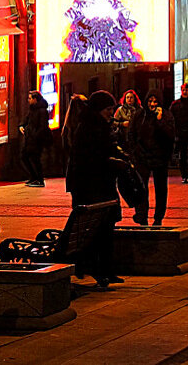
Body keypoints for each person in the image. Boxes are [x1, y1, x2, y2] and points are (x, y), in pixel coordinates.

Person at [66, 90, 127, 287]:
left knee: (107, 228)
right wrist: (112, 162)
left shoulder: (99, 126)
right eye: (108, 109)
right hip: (91, 187)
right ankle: (97, 268)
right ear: (99, 109)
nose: (111, 112)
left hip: (101, 185)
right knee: (98, 229)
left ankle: (106, 270)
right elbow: (90, 160)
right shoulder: (89, 128)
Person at [128, 92, 175, 226]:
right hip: (142, 156)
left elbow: (170, 135)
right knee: (141, 186)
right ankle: (141, 215)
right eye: (150, 101)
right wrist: (134, 152)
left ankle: (158, 217)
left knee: (160, 188)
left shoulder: (166, 116)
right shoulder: (139, 115)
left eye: (155, 101)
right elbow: (132, 134)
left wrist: (160, 120)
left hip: (160, 157)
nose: (152, 104)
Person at [19, 90, 52, 187]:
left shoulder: (42, 111)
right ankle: (33, 177)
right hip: (29, 138)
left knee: (35, 159)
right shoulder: (32, 110)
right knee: (24, 157)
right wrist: (21, 125)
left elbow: (43, 126)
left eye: (30, 98)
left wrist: (35, 136)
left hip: (37, 140)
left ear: (35, 99)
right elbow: (26, 120)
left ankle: (40, 180)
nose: (28, 100)